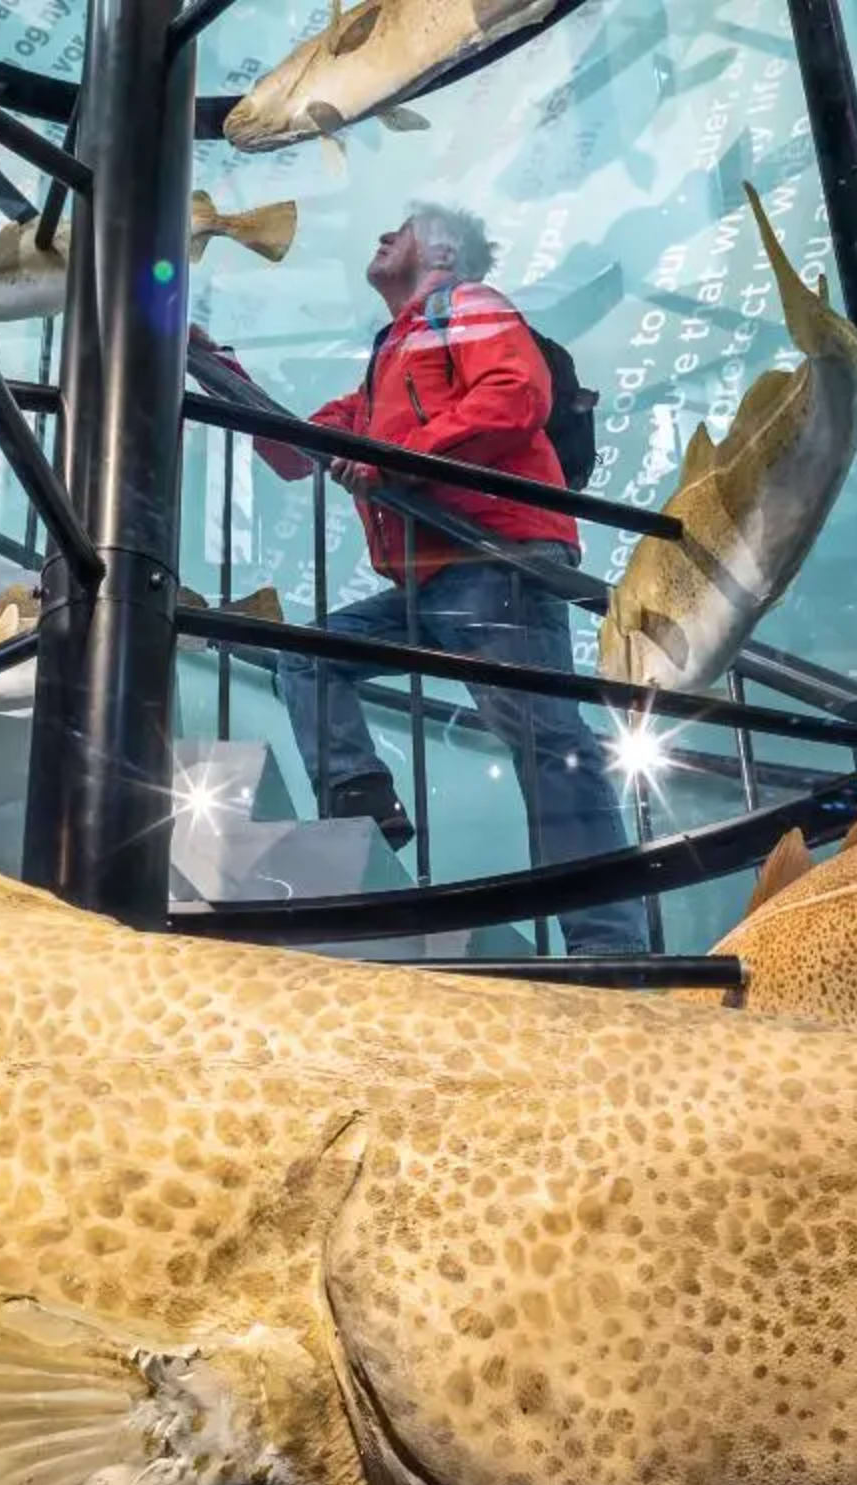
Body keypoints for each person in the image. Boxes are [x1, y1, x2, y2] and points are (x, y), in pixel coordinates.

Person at [232, 203, 648, 956]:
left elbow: (514, 396)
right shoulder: (387, 361)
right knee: (312, 653)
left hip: (498, 559)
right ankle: (360, 801)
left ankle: (610, 943)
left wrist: (397, 457)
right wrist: (217, 369)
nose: (383, 234)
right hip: (435, 577)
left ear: (443, 251)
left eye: (403, 227)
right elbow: (299, 451)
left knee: (547, 742)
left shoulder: (470, 308)